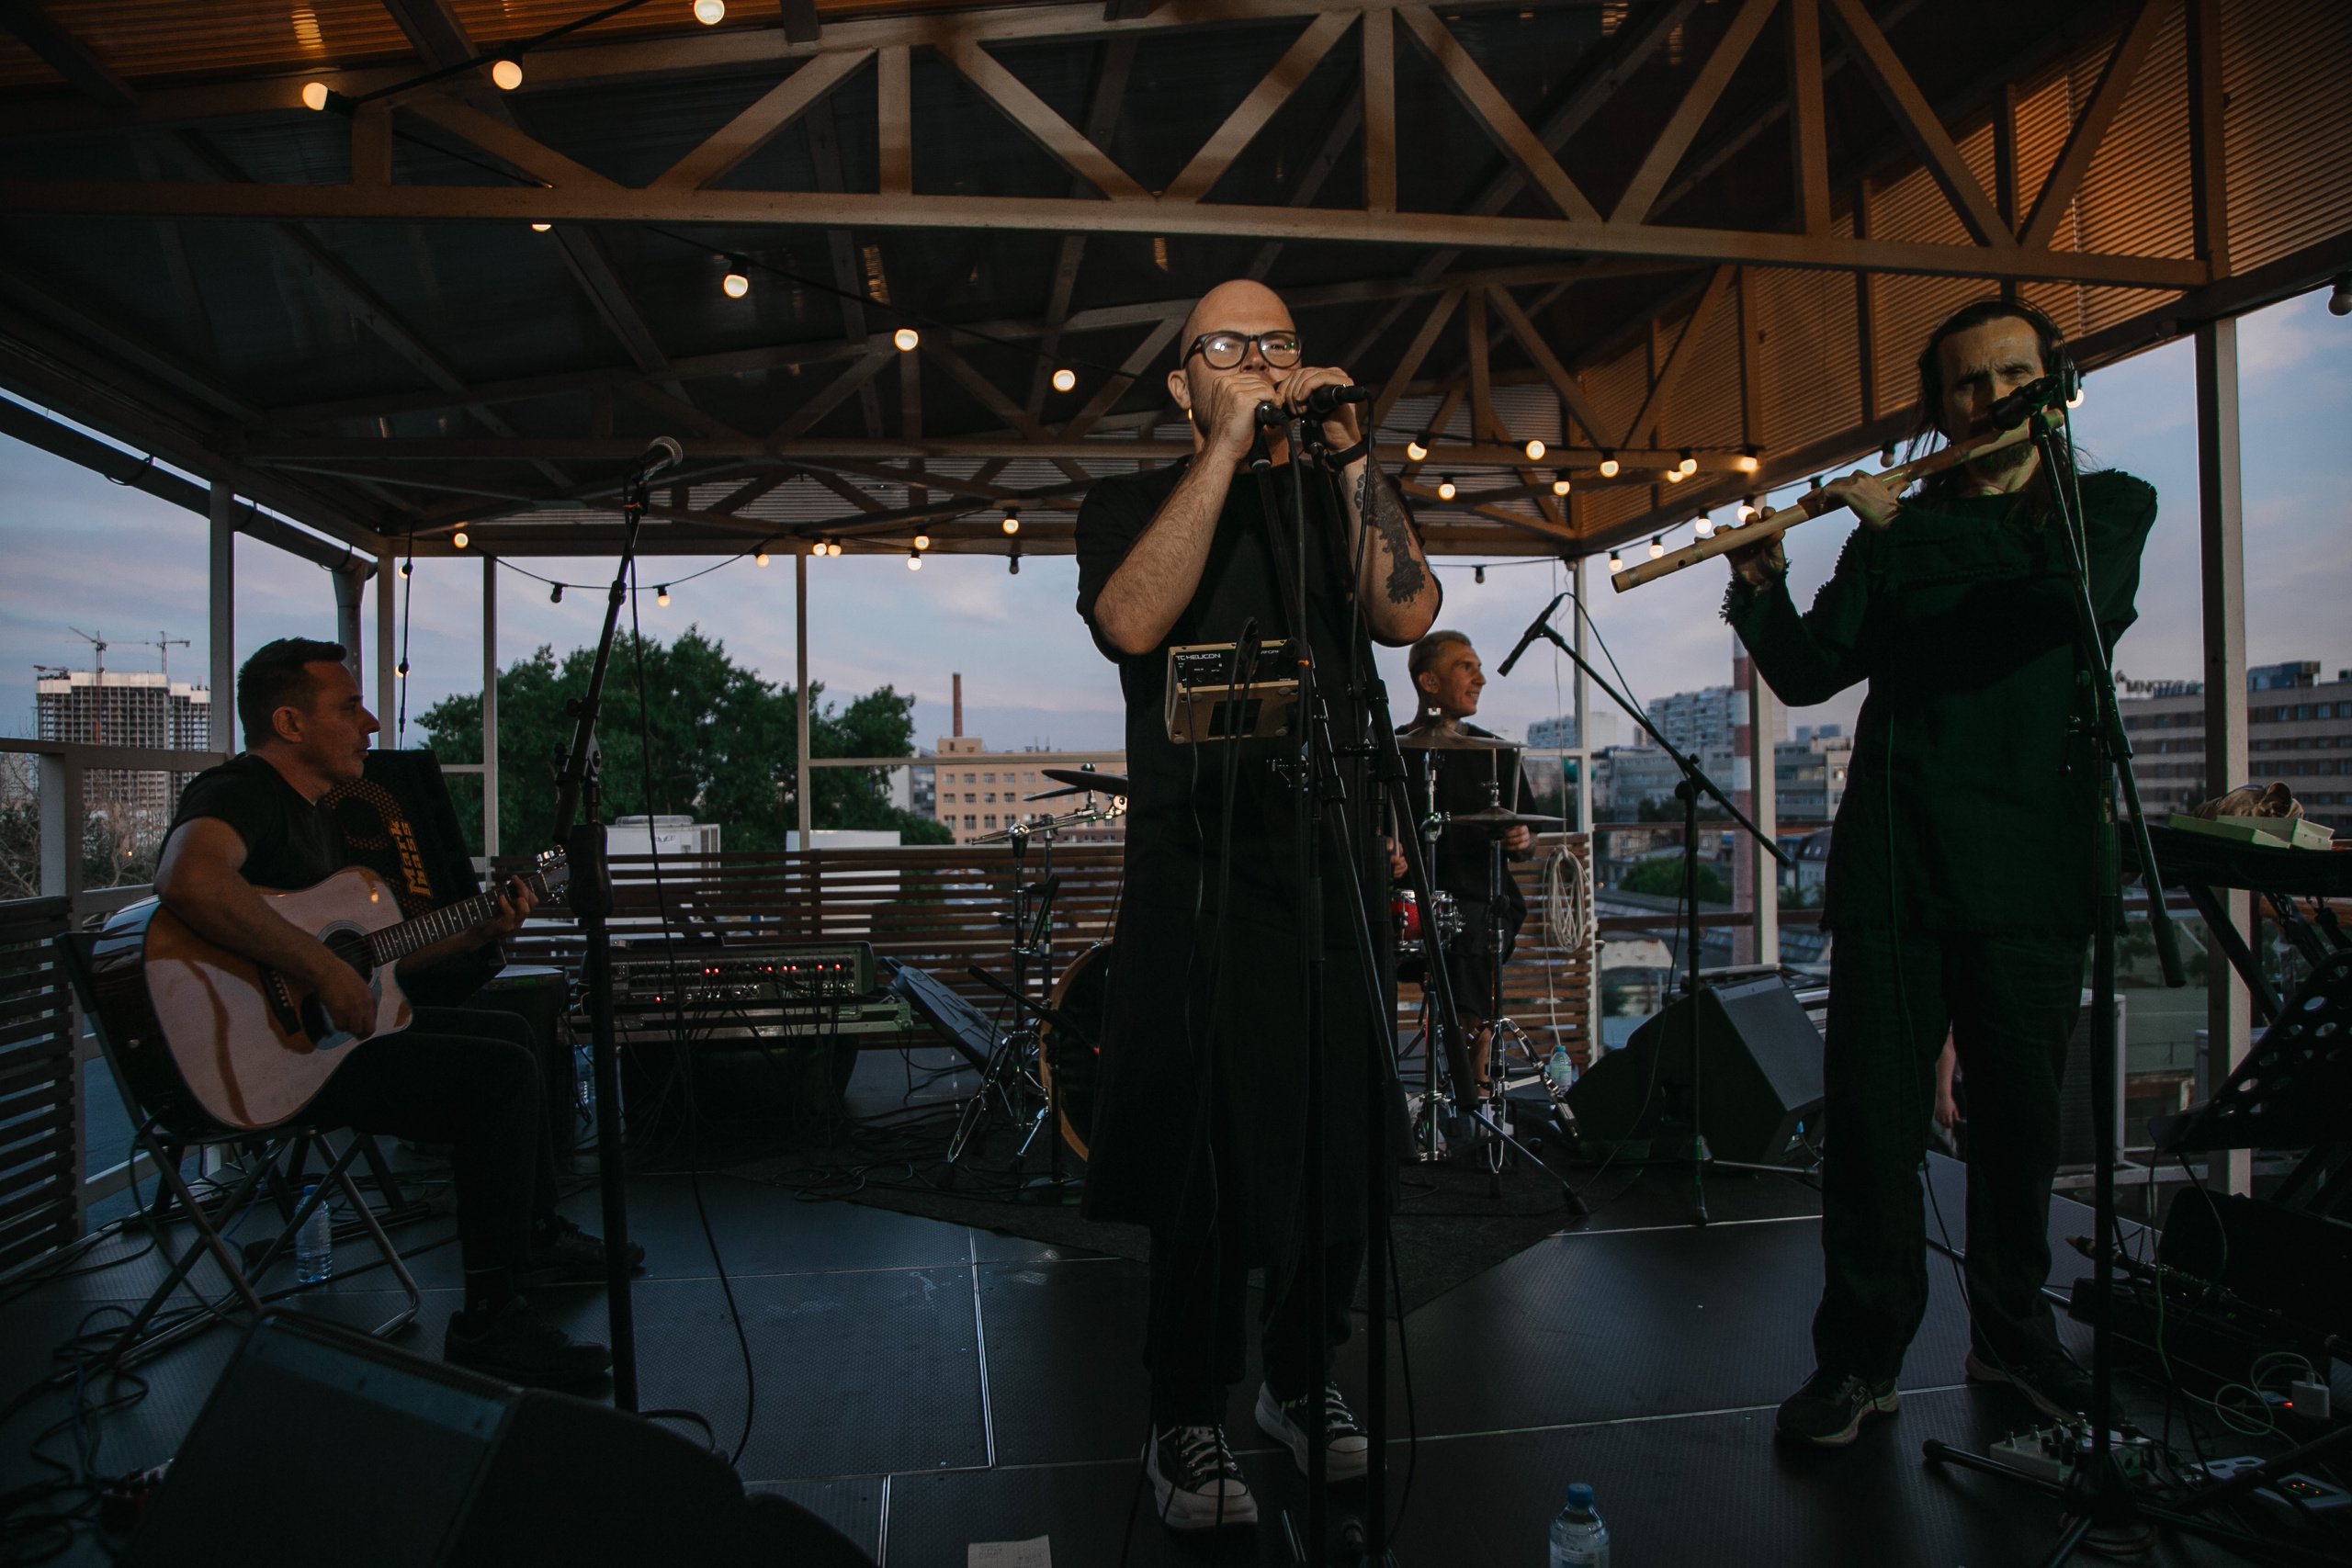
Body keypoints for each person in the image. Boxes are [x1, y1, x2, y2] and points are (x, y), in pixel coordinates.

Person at [1723, 301, 2157, 1446]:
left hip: (2030, 871)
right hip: (1897, 870)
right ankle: (1859, 1363)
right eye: (1967, 383)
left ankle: (2013, 1340)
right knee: (1870, 1133)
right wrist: (1759, 585)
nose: (1991, 397)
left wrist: (1893, 529)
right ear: (1942, 405)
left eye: (2013, 372)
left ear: (2050, 381)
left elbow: (2058, 595)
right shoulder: (1892, 538)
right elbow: (1814, 674)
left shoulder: (2106, 508)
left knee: (2018, 1132)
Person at [1075, 278, 1441, 1529]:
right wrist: (1229, 442)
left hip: (1325, 869)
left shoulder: (1324, 500)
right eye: (1225, 348)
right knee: (1205, 1157)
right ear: (1180, 383)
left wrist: (1345, 452)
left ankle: (1303, 1376)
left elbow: (1407, 611)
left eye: (1276, 343)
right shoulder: (1129, 504)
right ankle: (1184, 1410)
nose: (1259, 361)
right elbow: (1131, 619)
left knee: (1337, 1134)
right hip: (1199, 884)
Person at [154, 638, 636, 1392]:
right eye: (348, 707)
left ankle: (529, 1237)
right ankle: (487, 1319)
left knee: (514, 1030)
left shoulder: (318, 817)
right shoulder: (242, 790)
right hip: (267, 1061)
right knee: (498, 1071)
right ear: (288, 721)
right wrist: (316, 967)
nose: (372, 722)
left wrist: (475, 926)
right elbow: (187, 877)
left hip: (318, 1045)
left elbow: (370, 958)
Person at [1391, 631, 1538, 1099]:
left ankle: (1472, 1073)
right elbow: (1368, 832)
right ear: (1428, 681)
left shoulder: (1497, 755)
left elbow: (1524, 835)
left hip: (1480, 902)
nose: (1480, 679)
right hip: (1407, 907)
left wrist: (1521, 838)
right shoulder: (1390, 752)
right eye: (1466, 668)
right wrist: (1384, 854)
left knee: (1474, 928)